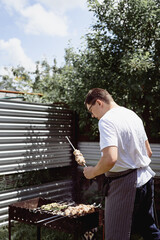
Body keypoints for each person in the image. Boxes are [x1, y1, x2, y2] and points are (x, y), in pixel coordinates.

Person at [74, 88, 160, 240]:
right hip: (146, 180)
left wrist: (92, 172)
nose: (92, 116)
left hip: (125, 184)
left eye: (91, 110)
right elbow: (148, 152)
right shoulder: (132, 115)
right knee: (150, 231)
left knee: (116, 236)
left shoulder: (106, 120)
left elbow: (110, 159)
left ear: (99, 102)